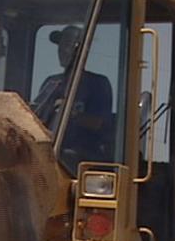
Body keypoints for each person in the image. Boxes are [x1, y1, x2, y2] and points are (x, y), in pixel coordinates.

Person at [33, 25, 114, 162]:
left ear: (80, 51)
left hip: (82, 157)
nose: (61, 51)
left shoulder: (97, 84)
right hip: (50, 153)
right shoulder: (51, 83)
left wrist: (69, 113)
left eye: (67, 46)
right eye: (60, 46)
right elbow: (36, 116)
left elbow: (98, 123)